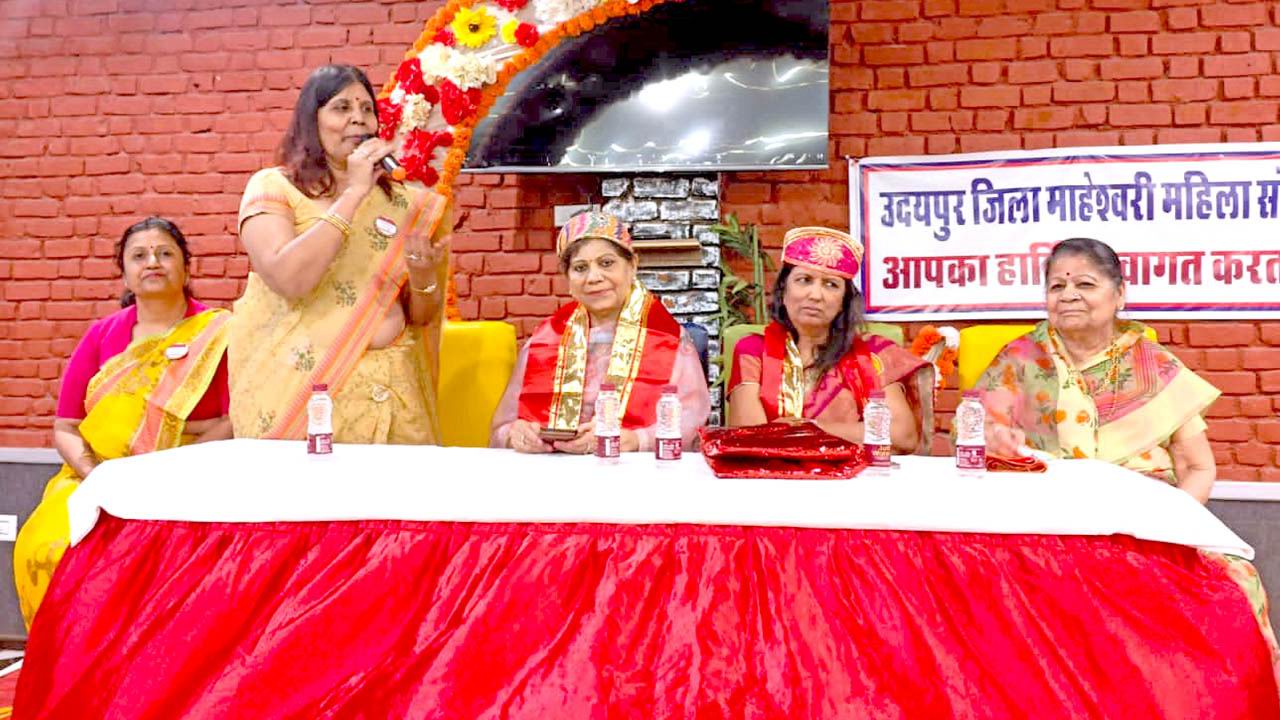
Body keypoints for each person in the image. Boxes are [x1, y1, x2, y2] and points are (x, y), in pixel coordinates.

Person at [13, 217, 231, 627]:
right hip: (99, 475)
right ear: (125, 275)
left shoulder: (217, 335)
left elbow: (232, 421)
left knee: (161, 565)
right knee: (49, 547)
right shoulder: (102, 336)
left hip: (185, 478)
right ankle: (70, 658)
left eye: (165, 253)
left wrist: (162, 466)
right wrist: (97, 475)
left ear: (186, 269)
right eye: (139, 256)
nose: (153, 262)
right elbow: (67, 425)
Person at [228, 64, 450, 444]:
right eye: (341, 107)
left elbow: (420, 316)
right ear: (311, 121)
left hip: (393, 393)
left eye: (366, 109)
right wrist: (353, 193)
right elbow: (289, 279)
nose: (358, 119)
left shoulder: (401, 203)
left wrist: (423, 275)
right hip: (308, 397)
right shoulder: (275, 187)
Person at [975, 237, 1218, 503]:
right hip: (1046, 508)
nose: (1068, 295)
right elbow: (971, 430)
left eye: (1085, 284)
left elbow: (1196, 467)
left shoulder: (1153, 365)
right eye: (1057, 286)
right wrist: (993, 438)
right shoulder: (1020, 359)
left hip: (1143, 512)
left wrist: (1172, 522)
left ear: (1120, 294)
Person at [491, 211, 710, 453]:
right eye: (580, 268)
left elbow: (693, 428)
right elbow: (501, 430)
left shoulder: (669, 340)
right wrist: (517, 435)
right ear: (568, 279)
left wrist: (635, 440)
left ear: (632, 265)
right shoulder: (542, 342)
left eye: (606, 263)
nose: (594, 277)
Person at [727, 226, 930, 453]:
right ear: (783, 292)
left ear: (844, 301)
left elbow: (902, 435)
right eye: (804, 280)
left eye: (831, 284)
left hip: (855, 473)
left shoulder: (873, 353)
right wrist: (852, 433)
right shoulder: (753, 351)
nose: (815, 295)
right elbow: (749, 439)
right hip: (775, 474)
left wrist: (810, 429)